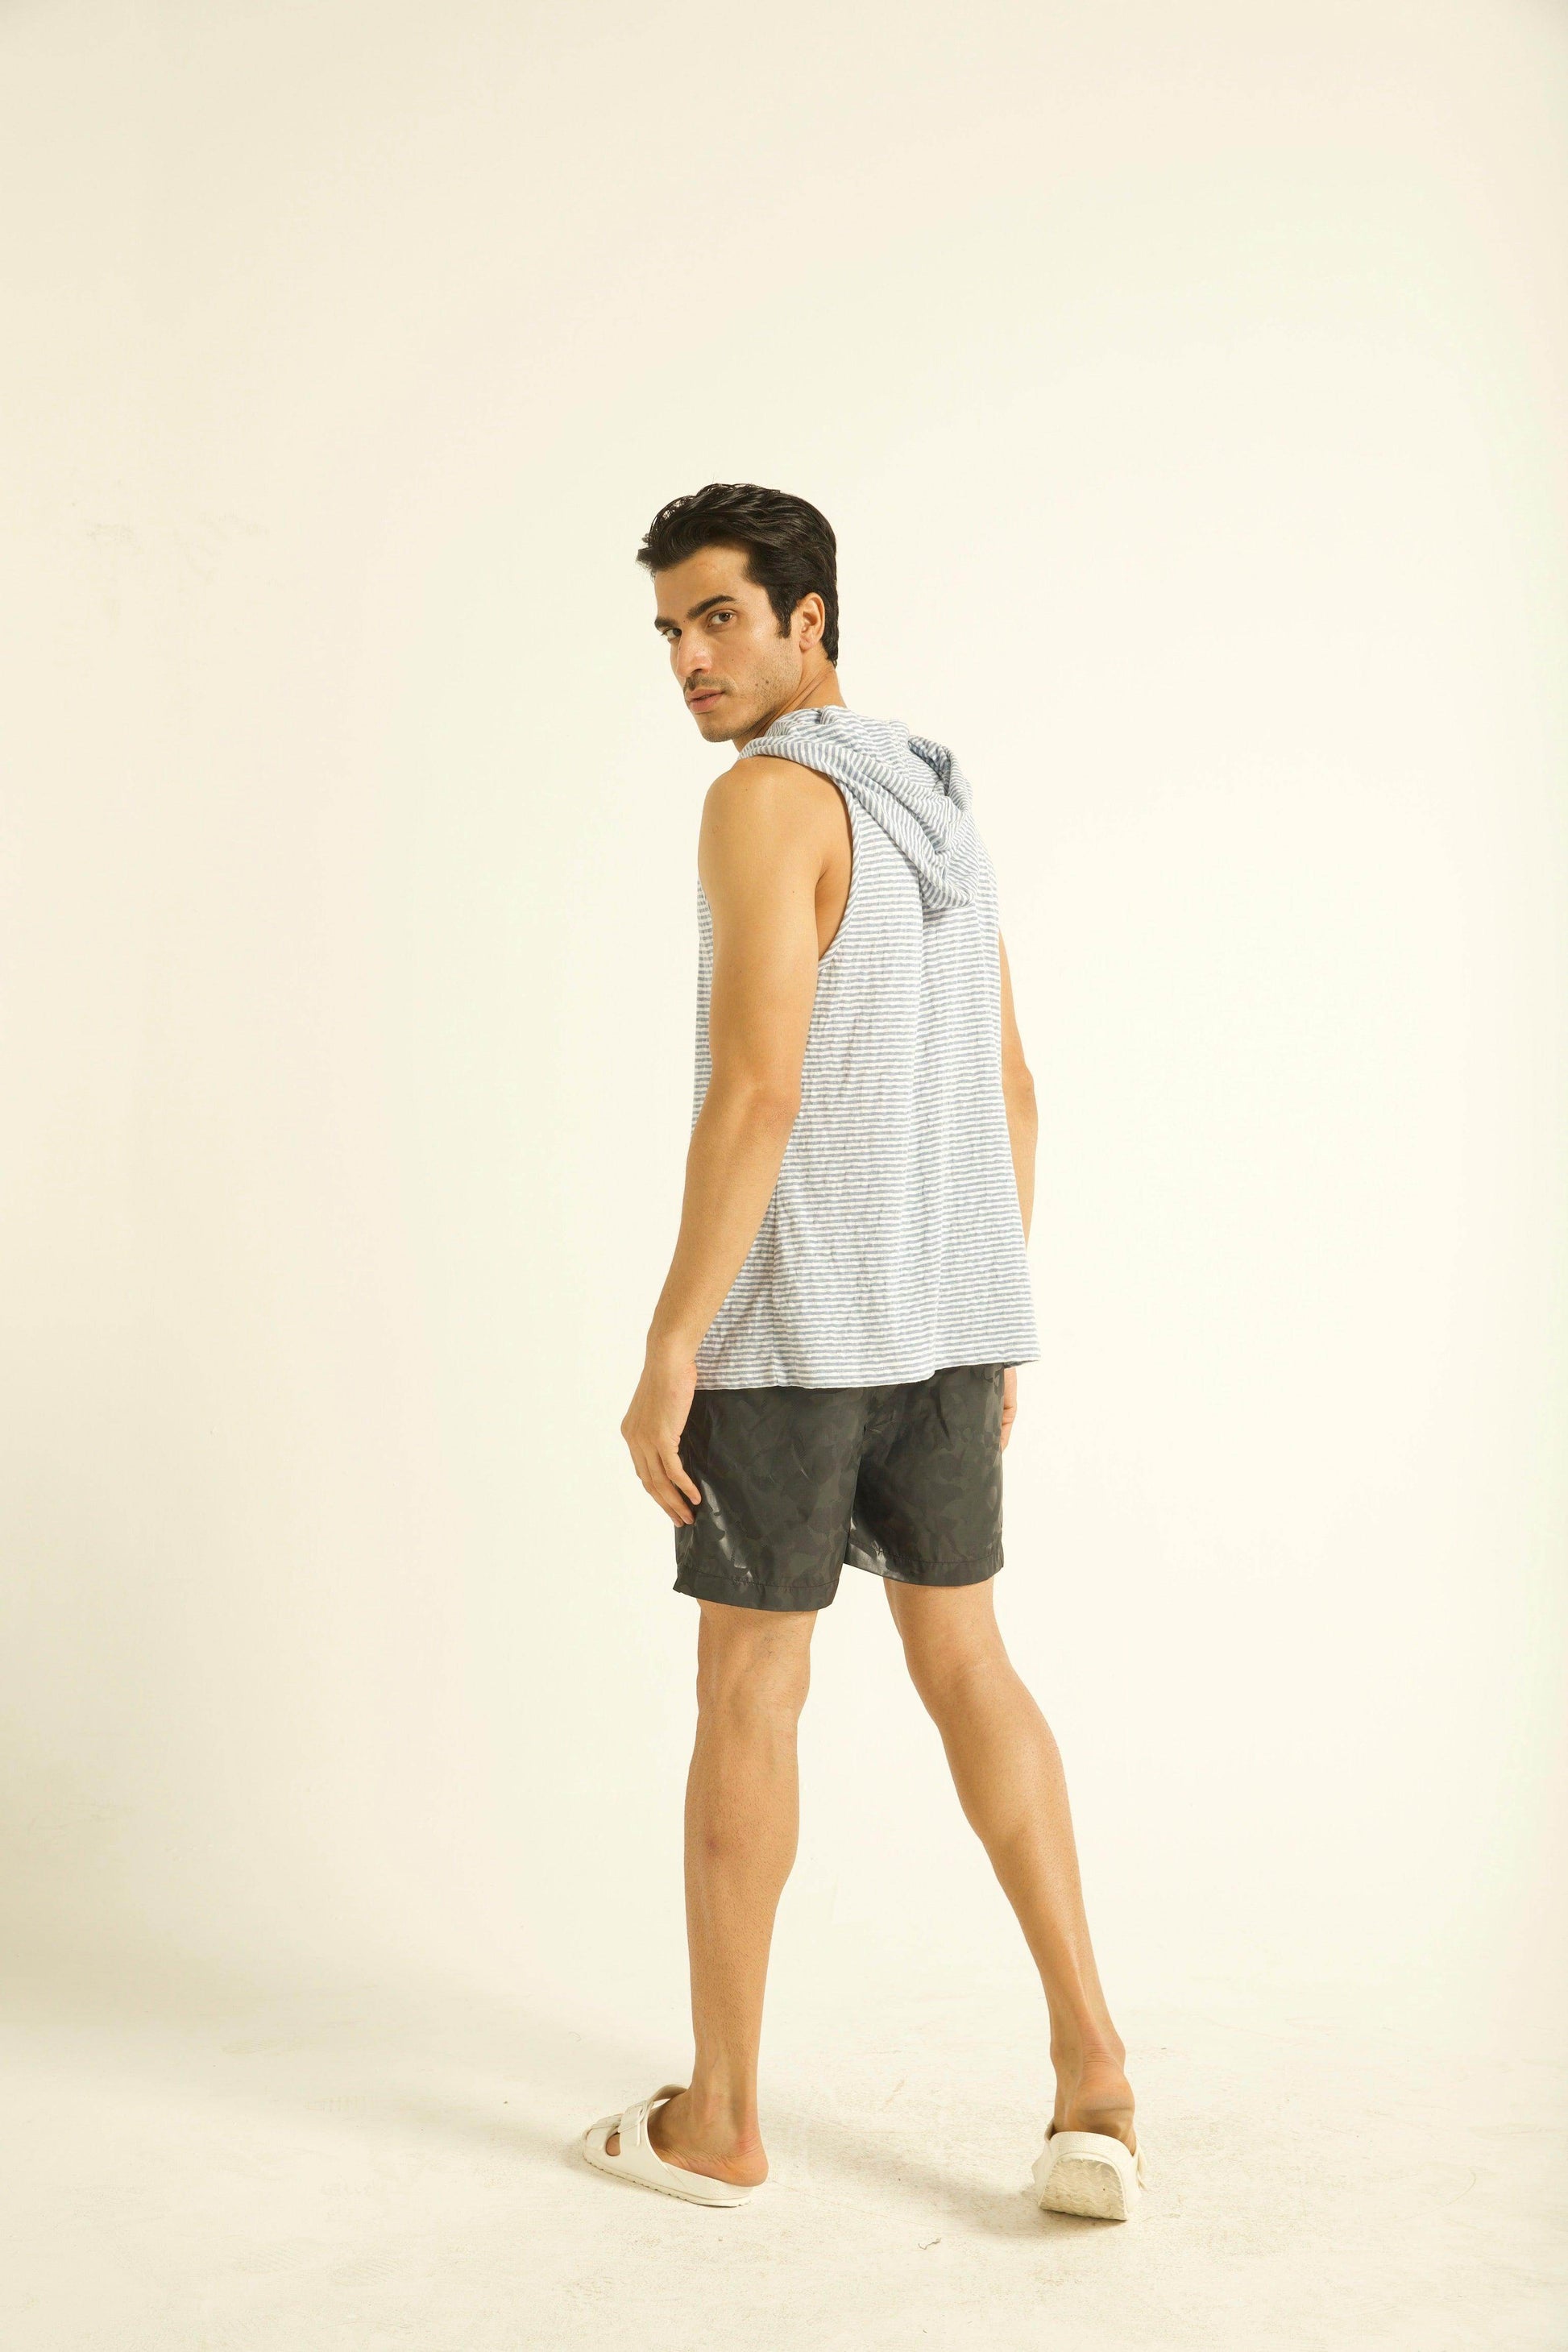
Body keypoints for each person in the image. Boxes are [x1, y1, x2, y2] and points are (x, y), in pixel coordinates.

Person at [582, 483, 1147, 2222]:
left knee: (748, 1694)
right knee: (970, 1667)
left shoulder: (766, 798)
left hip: (793, 1332)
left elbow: (759, 1091)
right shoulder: (936, 803)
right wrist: (989, 1318)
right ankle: (1095, 2080)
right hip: (946, 1330)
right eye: (668, 629)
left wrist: (672, 1340)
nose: (688, 658)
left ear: (806, 618)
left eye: (718, 618)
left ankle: (721, 2123)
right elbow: (1015, 1088)